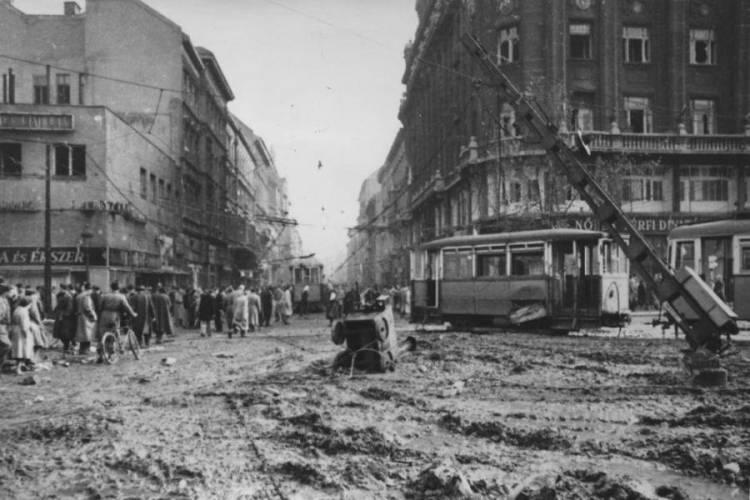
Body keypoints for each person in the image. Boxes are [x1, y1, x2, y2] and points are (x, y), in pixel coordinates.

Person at [97, 282, 137, 359]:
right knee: (114, 332)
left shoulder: (105, 295)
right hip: (114, 315)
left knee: (102, 333)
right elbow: (127, 307)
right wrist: (133, 314)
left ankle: (100, 353)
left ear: (111, 287)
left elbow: (100, 306)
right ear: (119, 288)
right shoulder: (121, 297)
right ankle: (111, 350)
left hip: (104, 315)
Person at [10, 296, 34, 375]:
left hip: (15, 330)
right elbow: (24, 324)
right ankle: (18, 368)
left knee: (17, 349)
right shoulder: (24, 311)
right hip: (21, 331)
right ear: (28, 304)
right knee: (22, 349)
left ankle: (20, 366)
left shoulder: (17, 309)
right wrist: (26, 333)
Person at [74, 282, 98, 355]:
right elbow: (87, 307)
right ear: (90, 289)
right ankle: (85, 350)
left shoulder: (79, 295)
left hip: (80, 316)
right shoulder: (87, 296)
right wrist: (93, 316)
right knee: (87, 335)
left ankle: (82, 349)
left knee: (82, 335)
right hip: (86, 317)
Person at [0, 285, 12, 376]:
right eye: (9, 291)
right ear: (5, 292)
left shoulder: (5, 300)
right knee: (7, 345)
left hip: (4, 326)